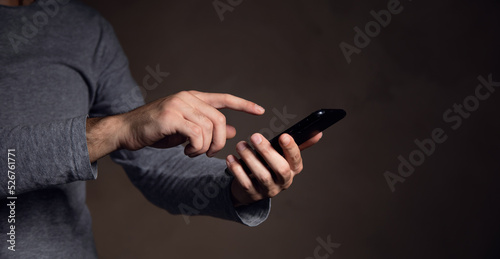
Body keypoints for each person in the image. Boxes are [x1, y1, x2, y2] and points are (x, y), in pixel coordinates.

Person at [0, 0, 322, 257]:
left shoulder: (84, 29)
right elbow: (124, 130)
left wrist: (235, 187)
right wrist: (118, 128)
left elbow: (151, 162)